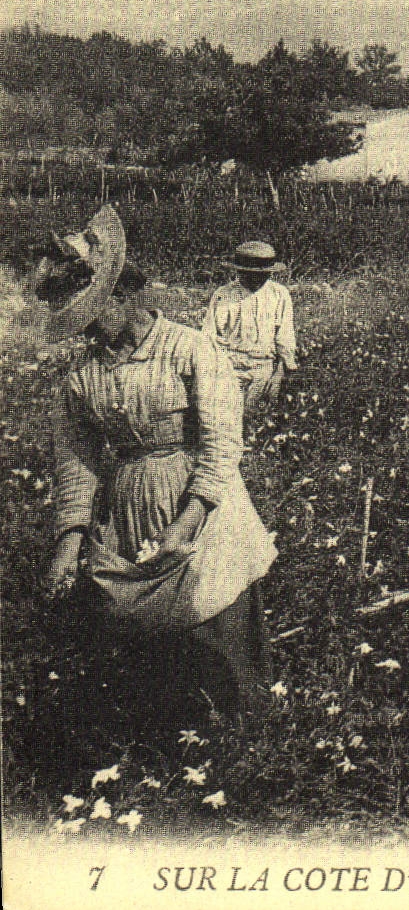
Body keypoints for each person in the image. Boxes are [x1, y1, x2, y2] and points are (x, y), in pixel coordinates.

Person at [33, 207, 277, 725]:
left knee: (216, 621)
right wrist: (68, 543)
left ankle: (247, 747)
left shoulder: (189, 348)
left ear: (124, 294)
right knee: (145, 638)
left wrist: (188, 521)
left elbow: (221, 444)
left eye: (93, 313)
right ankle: (169, 752)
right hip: (131, 511)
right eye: (78, 322)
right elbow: (76, 464)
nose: (89, 330)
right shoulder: (82, 377)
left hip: (204, 507)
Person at [203, 240, 298, 423]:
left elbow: (285, 339)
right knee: (226, 422)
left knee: (256, 420)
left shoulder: (279, 294)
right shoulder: (223, 294)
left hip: (263, 368)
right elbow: (208, 337)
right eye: (250, 274)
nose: (257, 279)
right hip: (229, 368)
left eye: (263, 275)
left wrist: (279, 373)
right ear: (239, 271)